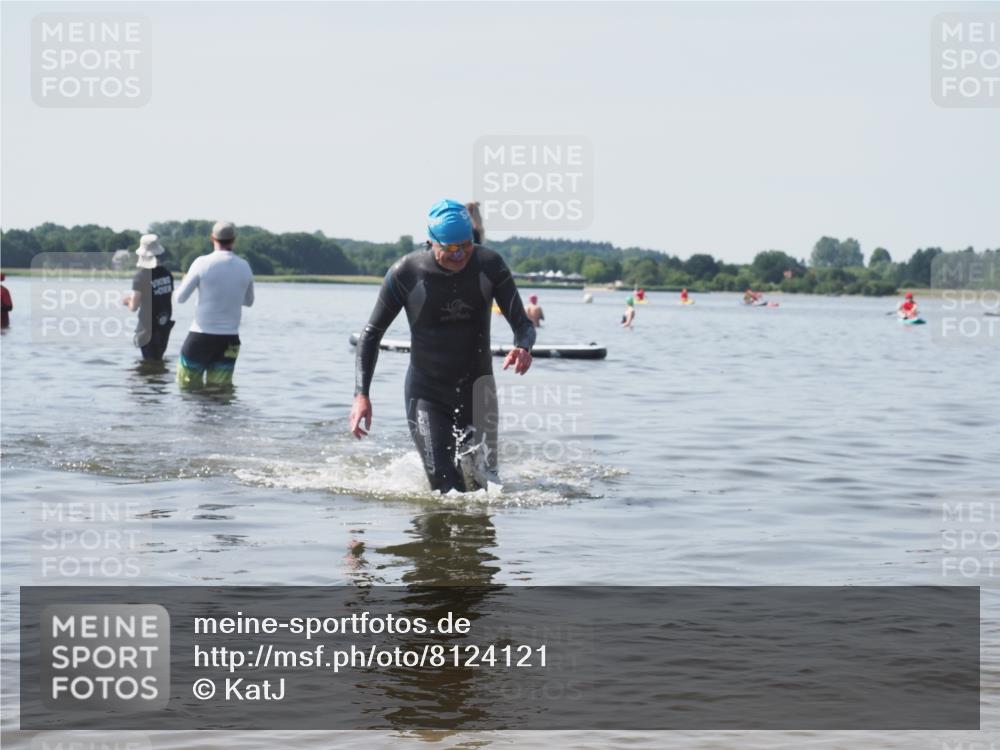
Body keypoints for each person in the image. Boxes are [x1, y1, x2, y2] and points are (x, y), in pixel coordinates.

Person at [349, 199, 535, 494]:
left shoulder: (490, 265)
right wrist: (362, 395)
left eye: (466, 246)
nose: (459, 255)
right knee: (446, 487)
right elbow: (371, 334)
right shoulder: (406, 273)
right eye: (450, 248)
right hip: (427, 395)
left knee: (483, 487)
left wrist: (523, 347)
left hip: (479, 393)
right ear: (431, 241)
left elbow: (523, 325)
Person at [173, 220, 254, 388]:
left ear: (212, 238)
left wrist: (183, 282)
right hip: (230, 340)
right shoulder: (245, 266)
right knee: (221, 391)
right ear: (234, 239)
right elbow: (249, 301)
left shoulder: (202, 263)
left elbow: (180, 298)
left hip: (201, 337)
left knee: (187, 388)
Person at [123, 234, 174, 361]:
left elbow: (133, 307)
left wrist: (127, 301)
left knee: (149, 363)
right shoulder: (167, 274)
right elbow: (166, 296)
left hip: (148, 328)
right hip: (164, 325)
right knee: (158, 360)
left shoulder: (140, 277)